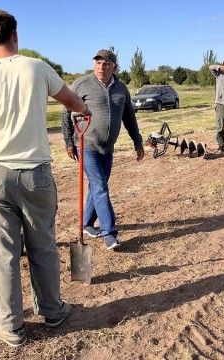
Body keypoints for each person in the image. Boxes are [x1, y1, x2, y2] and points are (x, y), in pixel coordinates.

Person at [0, 9, 90, 348]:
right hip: (36, 175)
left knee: (3, 253)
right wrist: (83, 111)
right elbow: (73, 102)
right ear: (16, 35)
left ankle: (11, 327)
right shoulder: (38, 68)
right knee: (42, 245)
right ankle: (52, 309)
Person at [62, 49, 145, 251]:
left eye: (106, 63)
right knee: (100, 187)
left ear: (114, 67)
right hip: (86, 145)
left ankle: (87, 224)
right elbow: (66, 113)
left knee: (97, 186)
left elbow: (130, 118)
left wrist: (138, 142)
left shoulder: (121, 89)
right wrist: (69, 142)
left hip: (108, 148)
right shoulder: (81, 84)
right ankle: (109, 233)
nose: (101, 66)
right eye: (98, 63)